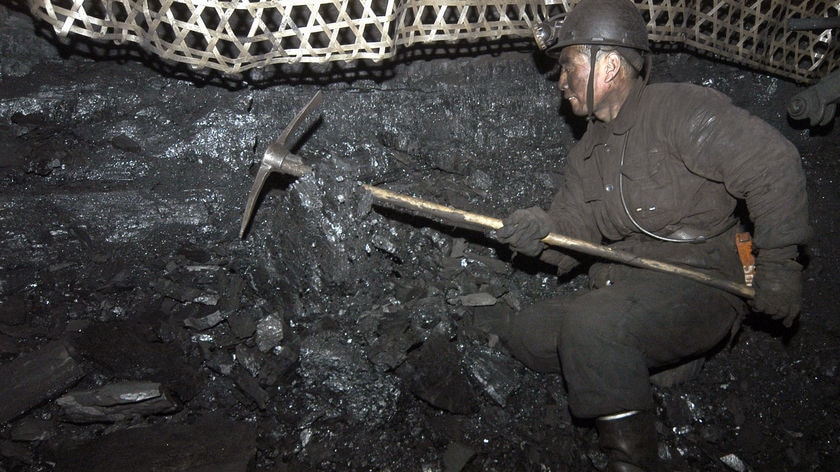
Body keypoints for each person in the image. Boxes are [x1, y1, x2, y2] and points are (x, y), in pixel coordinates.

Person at [490, 0, 812, 470]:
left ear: (611, 65)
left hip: (702, 280)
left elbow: (772, 165)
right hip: (628, 285)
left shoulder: (679, 111)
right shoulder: (586, 155)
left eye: (568, 67)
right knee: (528, 335)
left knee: (592, 326)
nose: (560, 83)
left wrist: (780, 265)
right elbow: (576, 233)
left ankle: (632, 459)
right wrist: (540, 232)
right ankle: (642, 363)